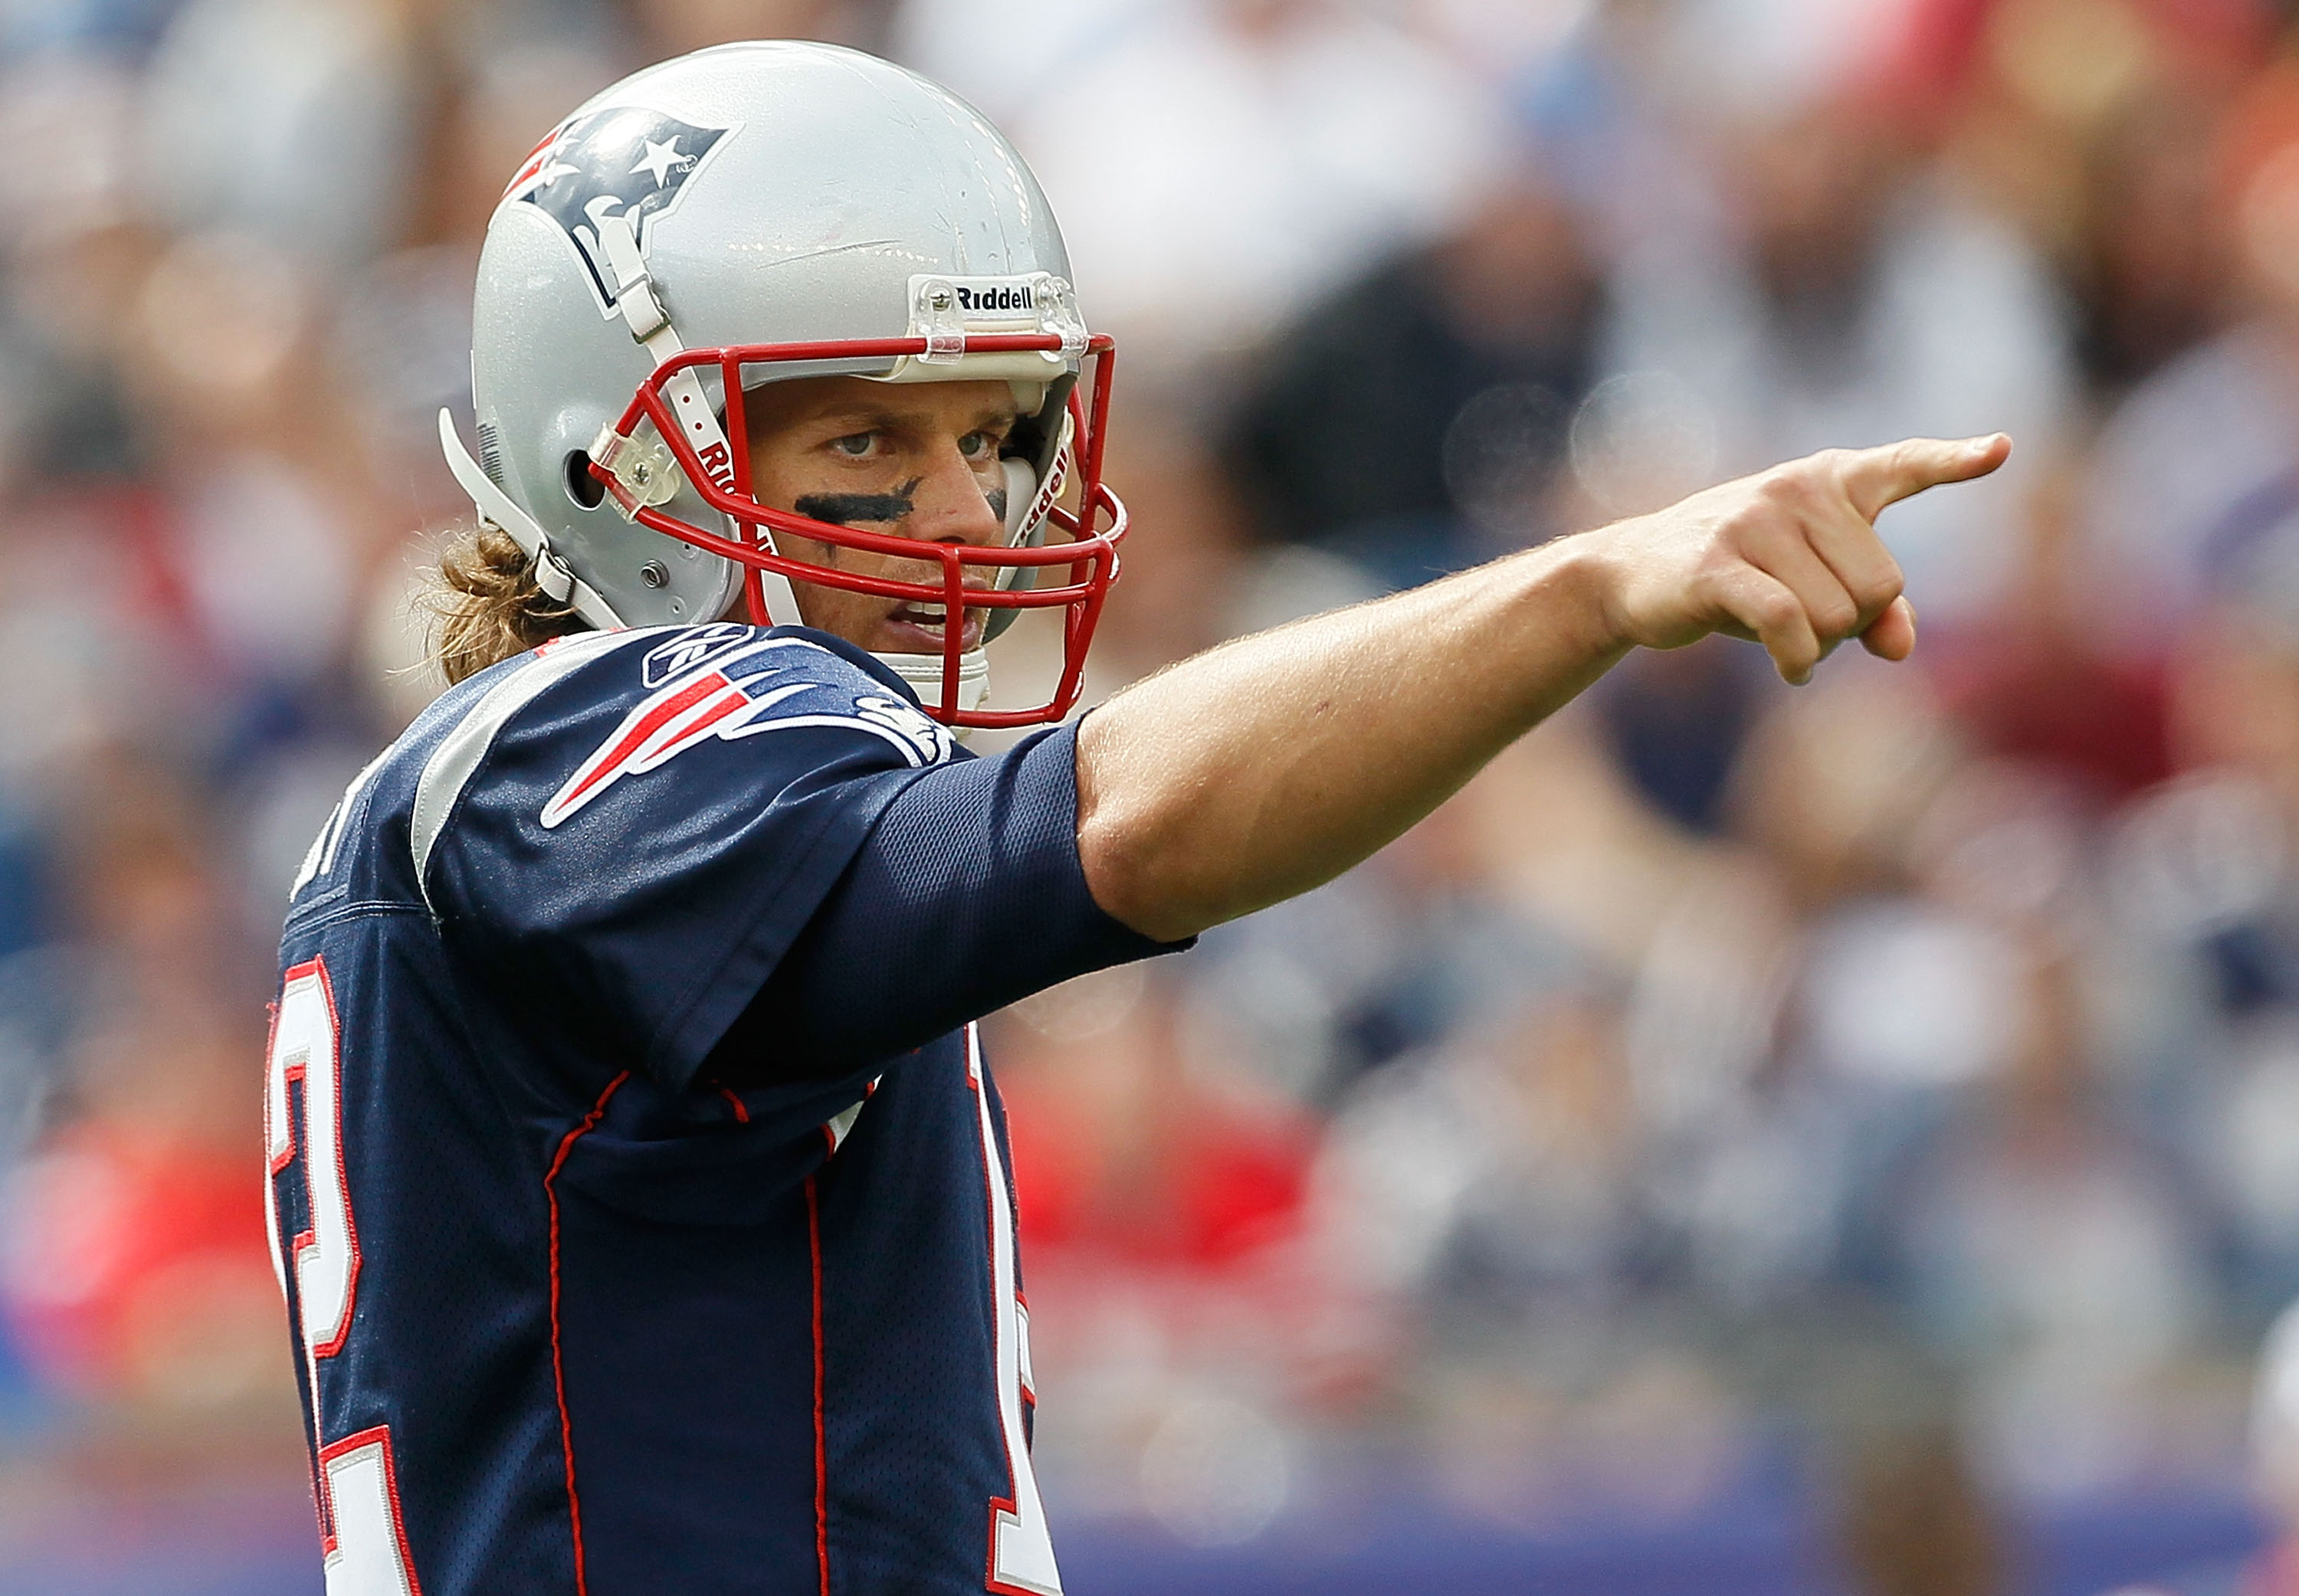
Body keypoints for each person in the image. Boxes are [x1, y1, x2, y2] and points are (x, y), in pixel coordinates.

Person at [261, 40, 2009, 1596]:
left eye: (991, 431)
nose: (963, 509)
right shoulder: (604, 737)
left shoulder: (523, 790)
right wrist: (1581, 593)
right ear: (614, 461)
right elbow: (1101, 837)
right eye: (867, 437)